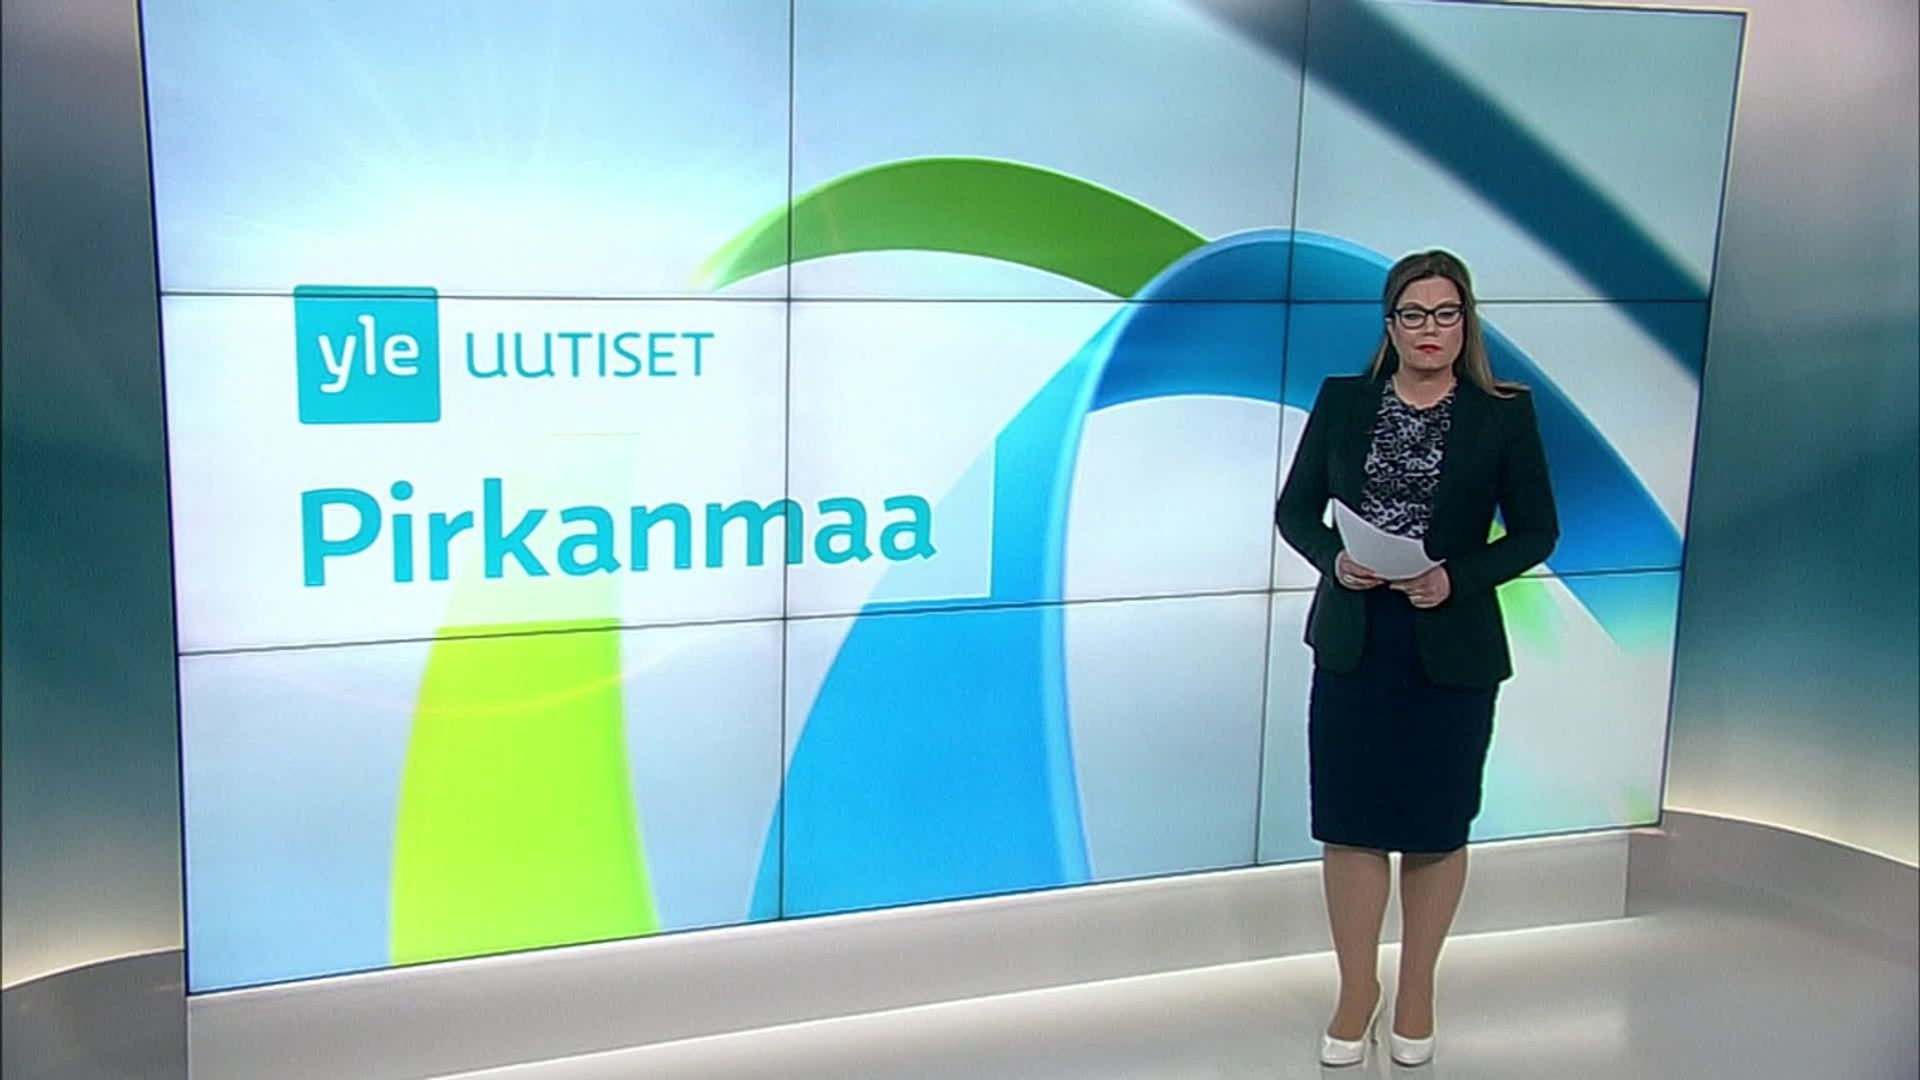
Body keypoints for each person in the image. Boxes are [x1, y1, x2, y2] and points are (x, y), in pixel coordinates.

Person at [1274, 250, 1558, 1068]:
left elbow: (1537, 531)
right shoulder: (1344, 401)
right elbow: (1296, 510)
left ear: (1466, 322)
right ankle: (1356, 990)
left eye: (1445, 313)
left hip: (1451, 647)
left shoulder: (1503, 413)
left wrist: (1455, 577)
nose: (1429, 329)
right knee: (1351, 823)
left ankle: (1418, 988)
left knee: (1435, 825)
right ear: (1389, 323)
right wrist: (1335, 560)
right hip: (1356, 640)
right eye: (1413, 314)